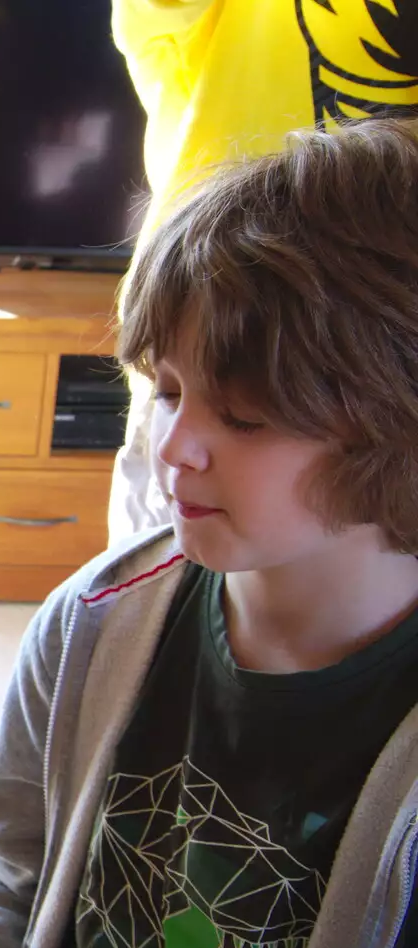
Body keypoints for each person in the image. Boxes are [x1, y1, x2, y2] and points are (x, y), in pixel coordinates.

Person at [0, 118, 418, 948]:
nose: (176, 447)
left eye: (244, 415)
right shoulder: (95, 618)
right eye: (166, 389)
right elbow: (9, 871)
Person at [107, 0, 418, 542]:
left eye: (245, 416)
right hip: (207, 327)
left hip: (390, 379)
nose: (170, 448)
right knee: (163, 584)